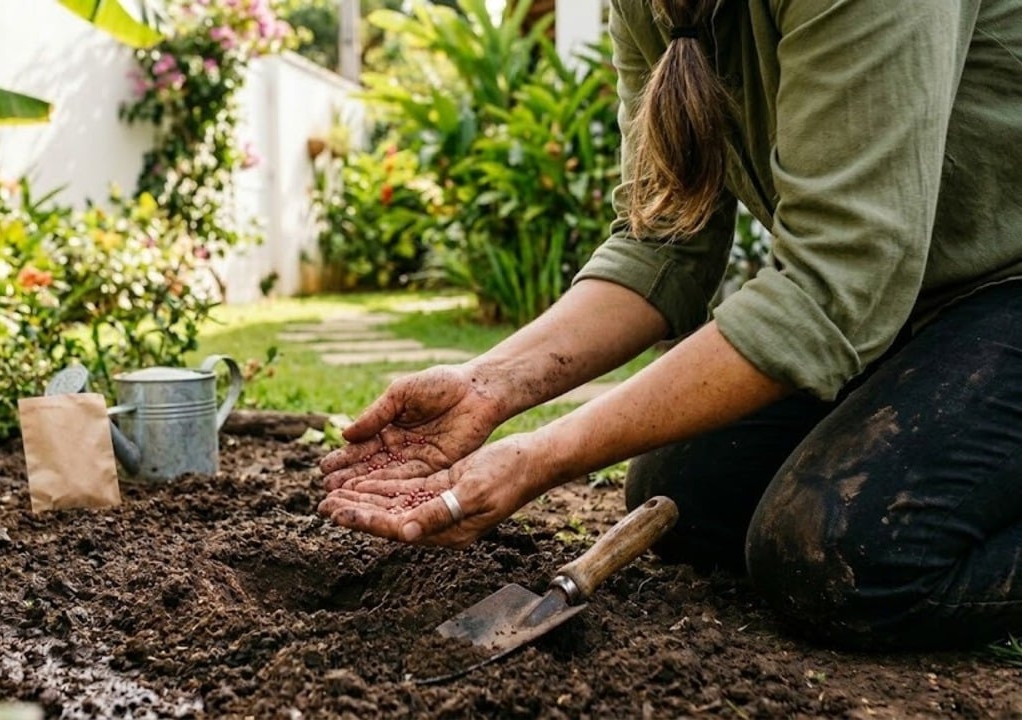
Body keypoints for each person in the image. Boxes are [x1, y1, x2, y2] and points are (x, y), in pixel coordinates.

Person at [317, 0, 1022, 650]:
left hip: (1004, 287)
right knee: (689, 494)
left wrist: (542, 455)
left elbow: (833, 281)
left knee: (840, 552)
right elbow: (662, 243)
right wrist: (485, 386)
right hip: (910, 306)